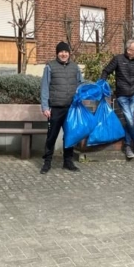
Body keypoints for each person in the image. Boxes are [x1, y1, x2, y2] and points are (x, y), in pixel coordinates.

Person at [40, 41, 84, 174]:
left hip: (71, 108)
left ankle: (68, 162)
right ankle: (47, 162)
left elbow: (81, 84)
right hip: (55, 108)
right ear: (57, 53)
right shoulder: (50, 67)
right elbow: (45, 87)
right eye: (61, 52)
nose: (64, 54)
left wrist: (92, 88)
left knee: (70, 136)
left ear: (69, 53)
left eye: (66, 52)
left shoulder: (75, 67)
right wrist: (45, 107)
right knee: (51, 136)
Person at [100, 39, 134, 160]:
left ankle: (127, 146)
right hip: (122, 95)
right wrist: (102, 83)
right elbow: (106, 71)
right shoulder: (118, 59)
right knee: (130, 119)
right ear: (128, 50)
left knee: (129, 118)